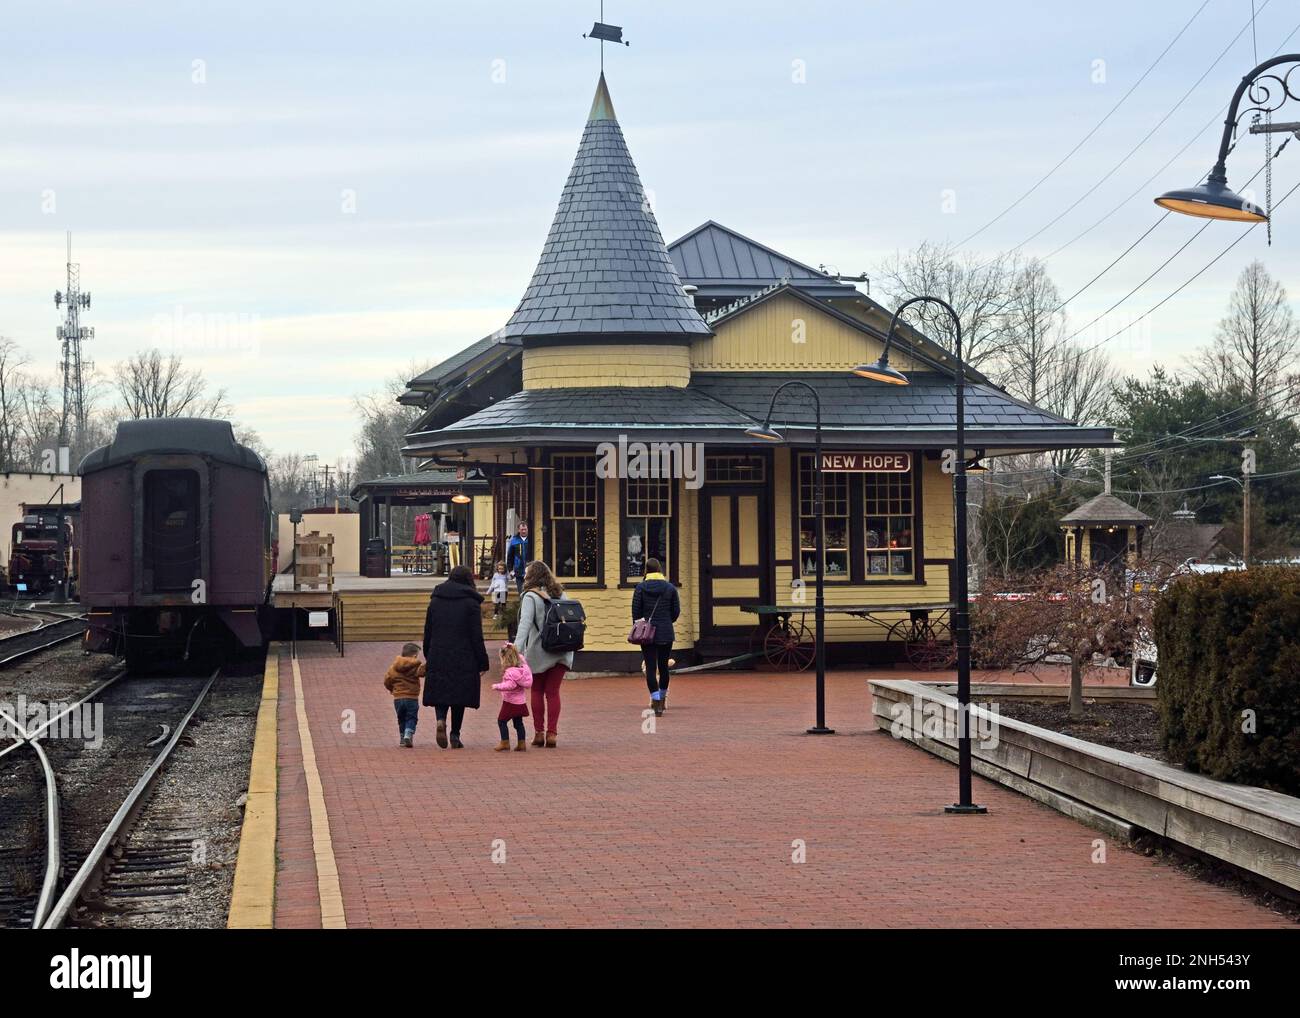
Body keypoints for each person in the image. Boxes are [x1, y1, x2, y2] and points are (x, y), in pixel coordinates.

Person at [422, 564, 489, 749]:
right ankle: (455, 735)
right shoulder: (471, 603)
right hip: (464, 655)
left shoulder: (435, 600)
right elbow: (477, 635)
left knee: (441, 691)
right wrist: (482, 662)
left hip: (438, 651)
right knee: (460, 695)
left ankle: (440, 720)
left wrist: (428, 652)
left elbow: (428, 630)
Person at [513, 560, 574, 748]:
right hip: (562, 650)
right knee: (553, 692)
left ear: (532, 575)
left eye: (526, 572)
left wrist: (515, 650)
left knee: (538, 691)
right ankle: (552, 734)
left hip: (539, 651)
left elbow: (524, 624)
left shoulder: (530, 596)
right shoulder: (560, 593)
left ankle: (539, 733)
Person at [632, 558, 680, 716]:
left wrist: (642, 624)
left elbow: (636, 612)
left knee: (651, 669)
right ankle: (663, 697)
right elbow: (676, 612)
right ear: (660, 570)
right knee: (664, 667)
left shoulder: (640, 587)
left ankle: (656, 702)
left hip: (647, 634)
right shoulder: (670, 588)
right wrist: (667, 621)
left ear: (646, 570)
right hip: (666, 631)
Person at [491, 643, 533, 752]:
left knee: (501, 721)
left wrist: (498, 686)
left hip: (510, 702)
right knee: (518, 723)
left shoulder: (510, 672)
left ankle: (505, 742)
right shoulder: (522, 669)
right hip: (520, 702)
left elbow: (510, 685)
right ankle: (521, 743)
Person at [383, 641, 425, 748]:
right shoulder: (416, 666)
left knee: (401, 718)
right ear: (415, 655)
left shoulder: (394, 667)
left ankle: (402, 738)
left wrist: (392, 689)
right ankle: (408, 733)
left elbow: (387, 680)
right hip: (411, 697)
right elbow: (422, 673)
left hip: (398, 698)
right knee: (411, 717)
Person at [505, 521, 532, 594]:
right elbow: (510, 557)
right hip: (518, 572)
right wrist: (510, 570)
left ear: (528, 529)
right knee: (521, 593)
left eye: (525, 529)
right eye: (522, 529)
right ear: (518, 530)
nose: (523, 531)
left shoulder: (532, 539)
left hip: (530, 572)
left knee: (530, 592)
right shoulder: (514, 540)